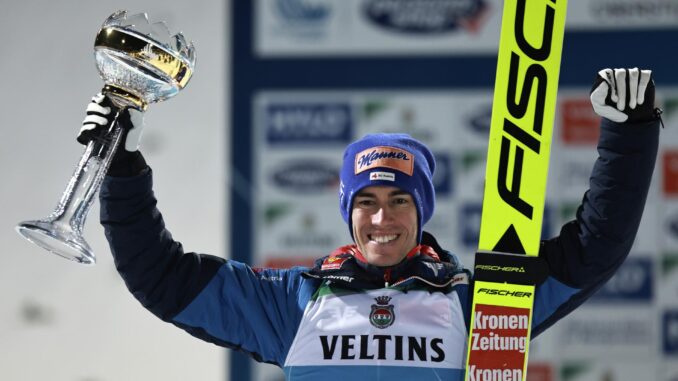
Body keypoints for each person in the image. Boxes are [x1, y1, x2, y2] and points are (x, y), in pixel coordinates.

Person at [80, 68, 661, 380]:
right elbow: (160, 277)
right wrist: (120, 166)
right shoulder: (294, 301)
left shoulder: (478, 303)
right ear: (348, 211)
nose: (382, 217)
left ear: (422, 211)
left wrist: (629, 134)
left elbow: (593, 250)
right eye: (367, 202)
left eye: (400, 201)